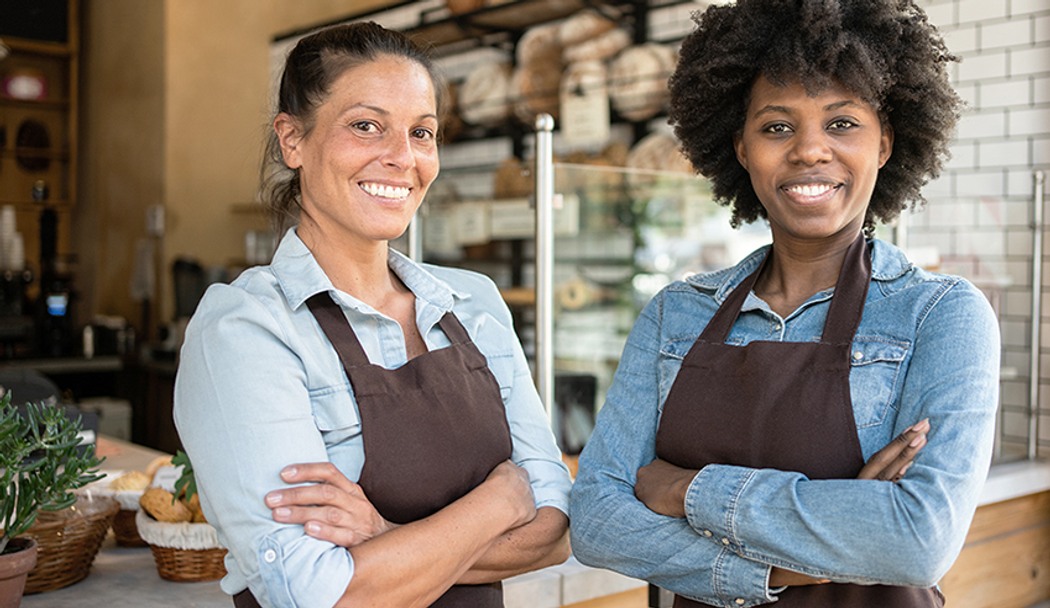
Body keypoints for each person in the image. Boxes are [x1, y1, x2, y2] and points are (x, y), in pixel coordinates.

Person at [568, 1, 1000, 607]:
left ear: (885, 143)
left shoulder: (939, 314)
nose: (809, 150)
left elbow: (916, 539)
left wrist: (688, 492)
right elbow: (596, 523)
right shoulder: (676, 314)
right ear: (741, 148)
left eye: (842, 123)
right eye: (776, 127)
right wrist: (796, 561)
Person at [173, 22, 571, 608]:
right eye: (366, 126)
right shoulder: (246, 328)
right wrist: (499, 502)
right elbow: (314, 593)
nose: (402, 158)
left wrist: (386, 540)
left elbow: (555, 533)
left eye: (422, 132)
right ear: (293, 141)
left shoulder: (474, 304)